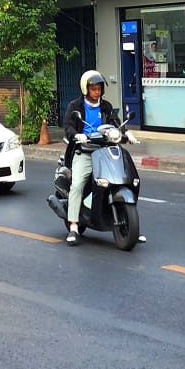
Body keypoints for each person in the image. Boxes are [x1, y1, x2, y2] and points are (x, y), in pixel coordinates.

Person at [60, 69, 120, 245]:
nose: (97, 92)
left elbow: (116, 123)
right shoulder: (75, 106)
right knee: (77, 185)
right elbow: (68, 126)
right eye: (93, 89)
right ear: (85, 89)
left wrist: (126, 134)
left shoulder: (106, 106)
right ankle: (73, 226)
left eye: (99, 88)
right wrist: (77, 135)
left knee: (116, 180)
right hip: (84, 152)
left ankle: (127, 224)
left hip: (104, 151)